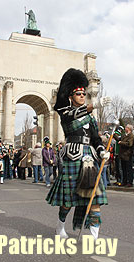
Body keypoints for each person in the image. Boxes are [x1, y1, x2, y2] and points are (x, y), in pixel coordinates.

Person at [46, 68, 110, 240]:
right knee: (68, 201)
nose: (82, 96)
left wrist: (102, 150)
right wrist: (93, 106)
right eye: (78, 93)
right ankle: (60, 227)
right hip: (72, 158)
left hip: (89, 158)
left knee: (94, 198)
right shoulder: (66, 113)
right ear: (70, 96)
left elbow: (95, 138)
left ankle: (94, 235)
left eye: (84, 93)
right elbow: (72, 116)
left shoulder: (91, 118)